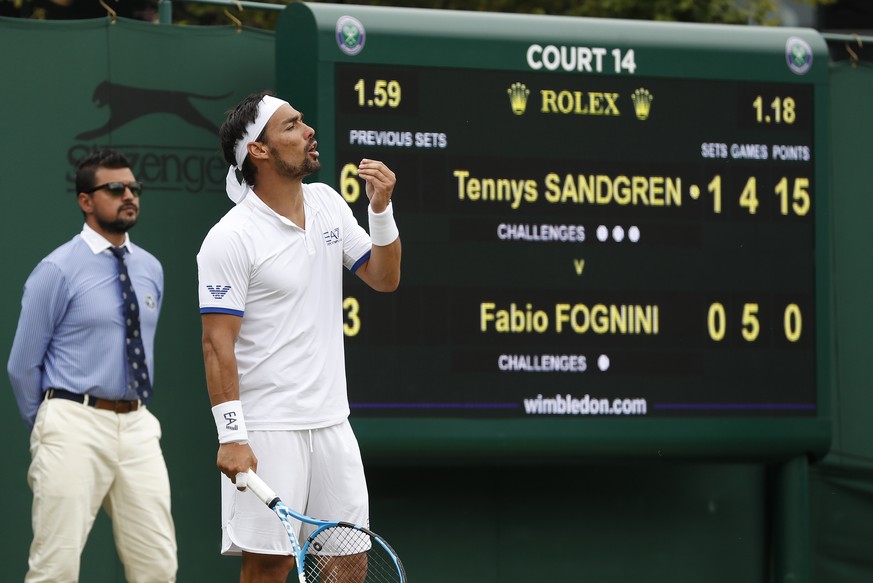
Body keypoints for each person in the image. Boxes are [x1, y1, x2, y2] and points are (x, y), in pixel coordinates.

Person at [197, 91, 401, 582]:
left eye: (304, 121)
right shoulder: (230, 237)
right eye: (291, 126)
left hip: (333, 423)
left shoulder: (328, 202)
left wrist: (380, 210)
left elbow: (383, 277)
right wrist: (232, 436)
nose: (308, 131)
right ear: (259, 151)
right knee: (270, 568)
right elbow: (216, 343)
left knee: (350, 565)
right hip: (269, 428)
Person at [7, 149, 178, 582]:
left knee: (158, 567)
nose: (129, 196)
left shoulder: (151, 268)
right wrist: (51, 423)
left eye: (134, 188)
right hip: (72, 421)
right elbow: (22, 365)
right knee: (56, 567)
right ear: (86, 200)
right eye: (116, 188)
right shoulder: (57, 270)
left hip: (138, 426)